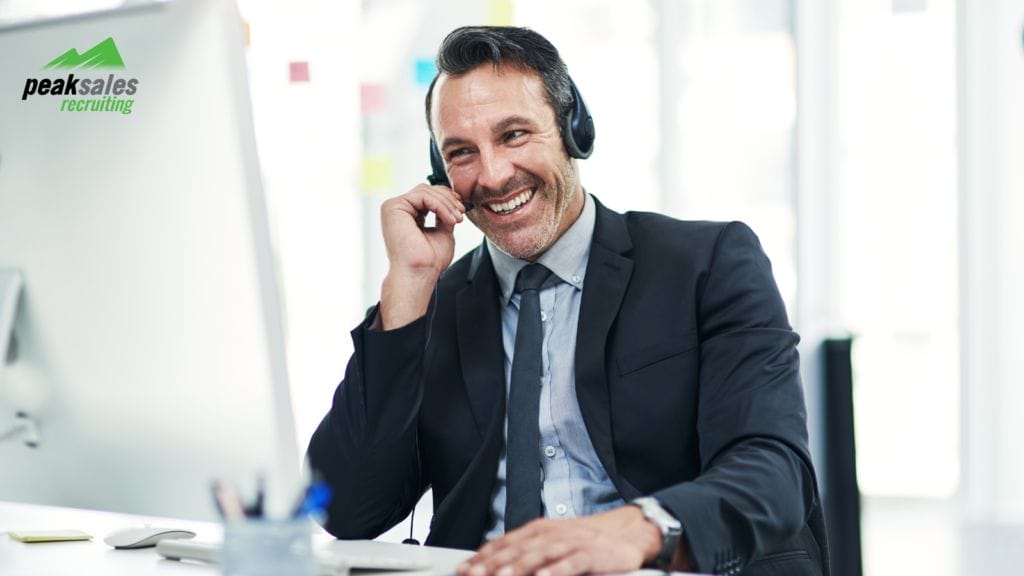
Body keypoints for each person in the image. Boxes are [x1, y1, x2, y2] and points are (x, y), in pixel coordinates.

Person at [308, 26, 829, 576]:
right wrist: (407, 289)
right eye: (462, 152)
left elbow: (773, 470)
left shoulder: (706, 263)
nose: (493, 174)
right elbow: (346, 511)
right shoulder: (432, 305)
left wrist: (642, 528)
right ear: (440, 172)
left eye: (513, 135)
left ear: (571, 129)